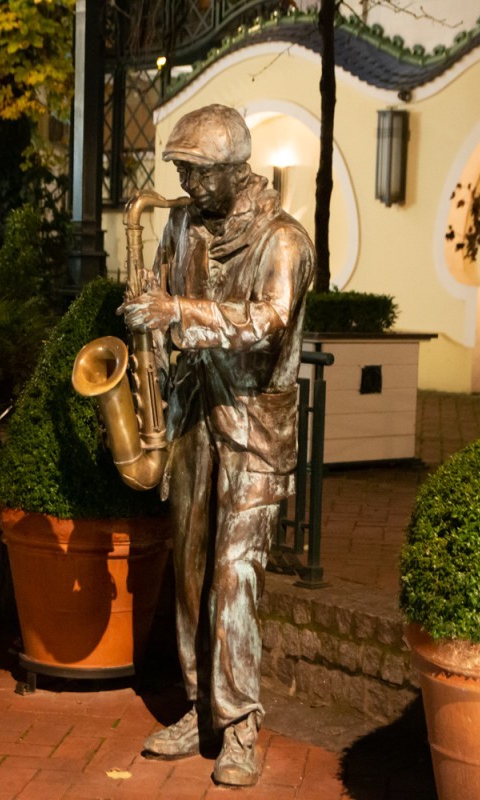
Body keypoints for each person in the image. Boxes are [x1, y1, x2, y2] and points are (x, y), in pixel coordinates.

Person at [119, 104, 315, 787]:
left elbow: (270, 321)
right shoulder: (180, 224)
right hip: (192, 414)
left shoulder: (284, 240)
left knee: (234, 575)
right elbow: (161, 292)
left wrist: (177, 313)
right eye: (182, 173)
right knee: (190, 569)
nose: (188, 186)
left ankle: (238, 728)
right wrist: (149, 318)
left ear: (237, 168)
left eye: (200, 174)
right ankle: (198, 707)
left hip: (256, 427)